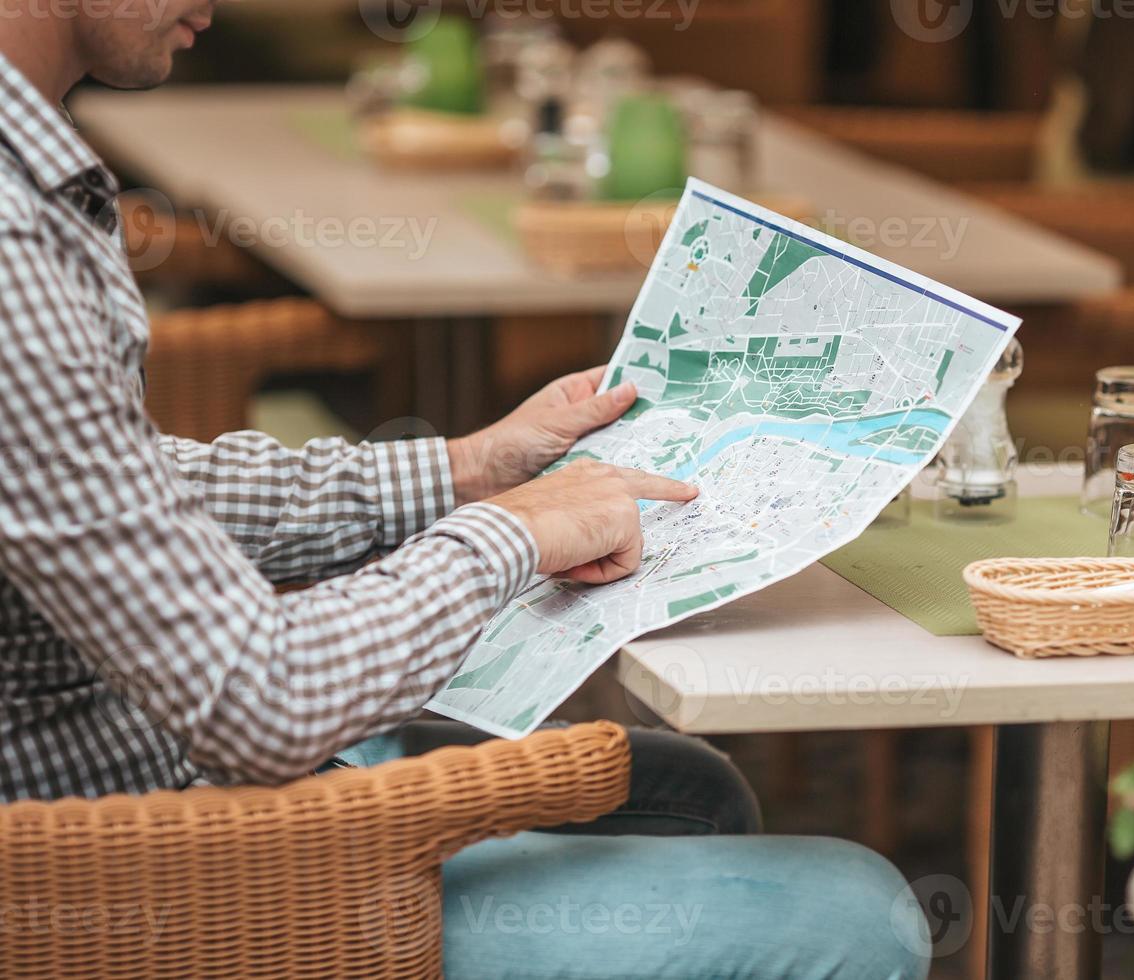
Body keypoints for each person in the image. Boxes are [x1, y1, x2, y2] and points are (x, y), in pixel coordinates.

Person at [0, 2, 930, 977]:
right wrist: (510, 532)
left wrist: (466, 466)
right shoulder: (17, 247)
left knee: (688, 787)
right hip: (133, 891)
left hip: (143, 773)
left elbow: (113, 480)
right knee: (861, 913)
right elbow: (258, 694)